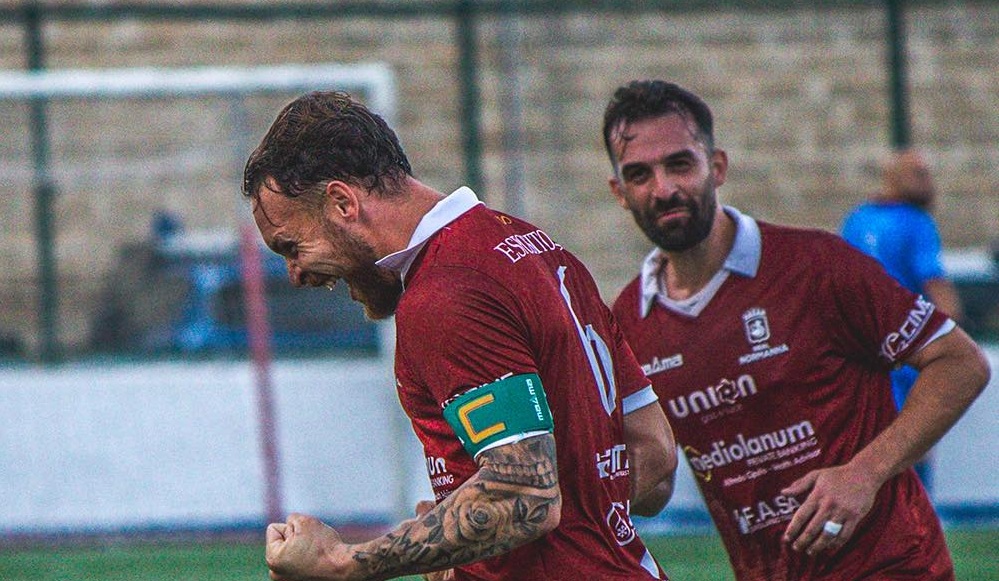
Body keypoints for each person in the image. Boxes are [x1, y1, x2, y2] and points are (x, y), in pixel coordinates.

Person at [241, 90, 678, 581]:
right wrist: (469, 543)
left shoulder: (445, 291)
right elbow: (655, 456)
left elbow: (524, 496)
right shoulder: (541, 252)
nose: (296, 274)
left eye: (292, 247)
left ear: (343, 202)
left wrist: (342, 563)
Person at [601, 80, 990, 581]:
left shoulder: (817, 265)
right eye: (639, 174)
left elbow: (961, 362)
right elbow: (654, 483)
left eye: (679, 164)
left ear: (716, 167)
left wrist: (863, 474)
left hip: (889, 566)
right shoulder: (628, 323)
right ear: (619, 192)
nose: (664, 189)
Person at [840, 149, 965, 489]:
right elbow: (938, 289)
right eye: (920, 174)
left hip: (866, 355)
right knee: (913, 445)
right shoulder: (916, 223)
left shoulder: (857, 219)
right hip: (908, 352)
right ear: (894, 177)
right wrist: (953, 345)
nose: (929, 183)